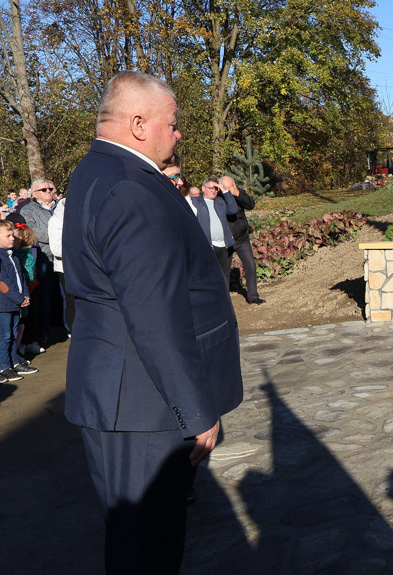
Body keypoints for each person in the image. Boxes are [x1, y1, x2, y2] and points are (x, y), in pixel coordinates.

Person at [63, 70, 243, 574]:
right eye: (174, 122)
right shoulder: (131, 189)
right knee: (146, 549)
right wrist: (197, 411)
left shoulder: (96, 169)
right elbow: (154, 316)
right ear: (139, 124)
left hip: (123, 393)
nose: (179, 132)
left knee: (134, 542)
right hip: (143, 404)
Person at [19, 179, 57, 347]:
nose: (48, 191)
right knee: (43, 298)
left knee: (64, 297)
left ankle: (64, 327)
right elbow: (34, 232)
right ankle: (41, 335)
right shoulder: (28, 209)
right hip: (43, 259)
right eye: (43, 189)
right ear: (33, 194)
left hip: (64, 259)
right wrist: (59, 236)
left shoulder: (61, 207)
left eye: (51, 188)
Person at [0, 220, 37, 383]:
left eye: (12, 235)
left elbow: (20, 278)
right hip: (4, 304)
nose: (12, 238)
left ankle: (14, 361)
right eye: (7, 236)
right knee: (4, 336)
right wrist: (18, 298)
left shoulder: (13, 255)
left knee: (14, 333)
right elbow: (3, 282)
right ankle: (3, 366)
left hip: (15, 303)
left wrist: (25, 295)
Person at [220, 175, 264, 304]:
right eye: (228, 187)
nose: (231, 189)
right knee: (225, 270)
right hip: (226, 239)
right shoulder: (218, 197)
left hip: (242, 238)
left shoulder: (238, 193)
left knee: (250, 265)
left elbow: (250, 205)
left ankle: (253, 296)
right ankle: (224, 299)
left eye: (233, 185)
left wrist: (238, 193)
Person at [192, 177, 238, 282]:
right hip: (208, 246)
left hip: (223, 244)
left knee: (224, 275)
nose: (213, 191)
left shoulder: (220, 201)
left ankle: (225, 297)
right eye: (211, 188)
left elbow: (233, 210)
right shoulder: (196, 202)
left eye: (216, 189)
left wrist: (225, 191)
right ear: (203, 188)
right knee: (209, 275)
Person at [48, 196, 73, 335]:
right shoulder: (56, 221)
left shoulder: (78, 219)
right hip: (65, 268)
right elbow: (56, 249)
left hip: (81, 266)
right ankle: (72, 330)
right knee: (71, 301)